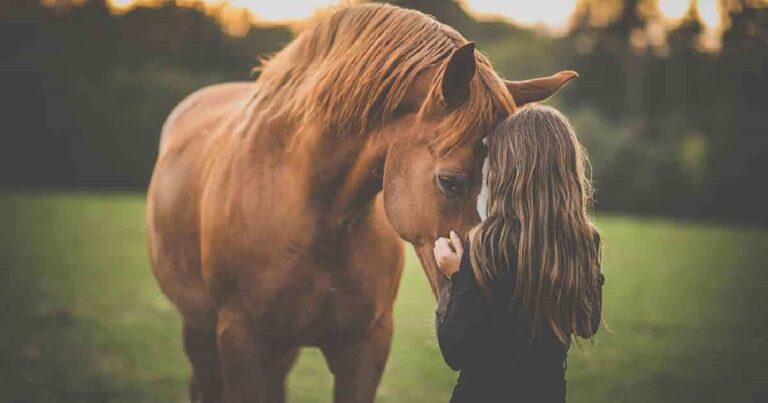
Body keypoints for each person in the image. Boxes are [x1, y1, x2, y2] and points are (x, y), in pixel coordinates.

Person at [433, 105, 605, 403]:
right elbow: (586, 324)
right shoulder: (582, 240)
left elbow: (457, 350)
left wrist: (458, 277)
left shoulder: (487, 243)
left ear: (508, 171)